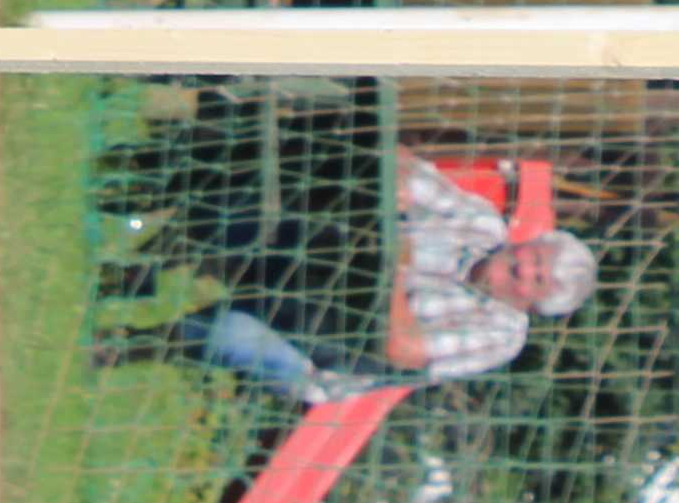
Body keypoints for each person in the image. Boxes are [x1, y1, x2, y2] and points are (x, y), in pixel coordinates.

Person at [152, 148, 596, 403]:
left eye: (537, 279)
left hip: (320, 352)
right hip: (312, 263)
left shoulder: (501, 335)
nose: (525, 267)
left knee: (227, 334)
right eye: (536, 256)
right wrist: (397, 182)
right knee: (248, 216)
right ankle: (150, 248)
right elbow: (401, 160)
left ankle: (138, 341)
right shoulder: (482, 224)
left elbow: (401, 348)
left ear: (532, 305)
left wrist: (390, 263)